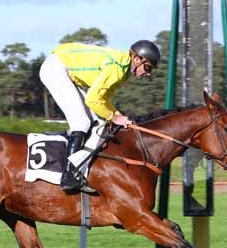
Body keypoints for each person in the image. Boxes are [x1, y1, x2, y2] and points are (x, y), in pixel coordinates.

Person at [39, 39, 161, 193]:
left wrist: (118, 115)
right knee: (82, 123)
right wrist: (114, 117)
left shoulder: (123, 69)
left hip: (63, 66)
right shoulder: (117, 68)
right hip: (55, 68)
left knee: (98, 123)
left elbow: (102, 100)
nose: (148, 73)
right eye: (148, 67)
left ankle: (81, 171)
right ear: (136, 59)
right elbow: (93, 100)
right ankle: (69, 176)